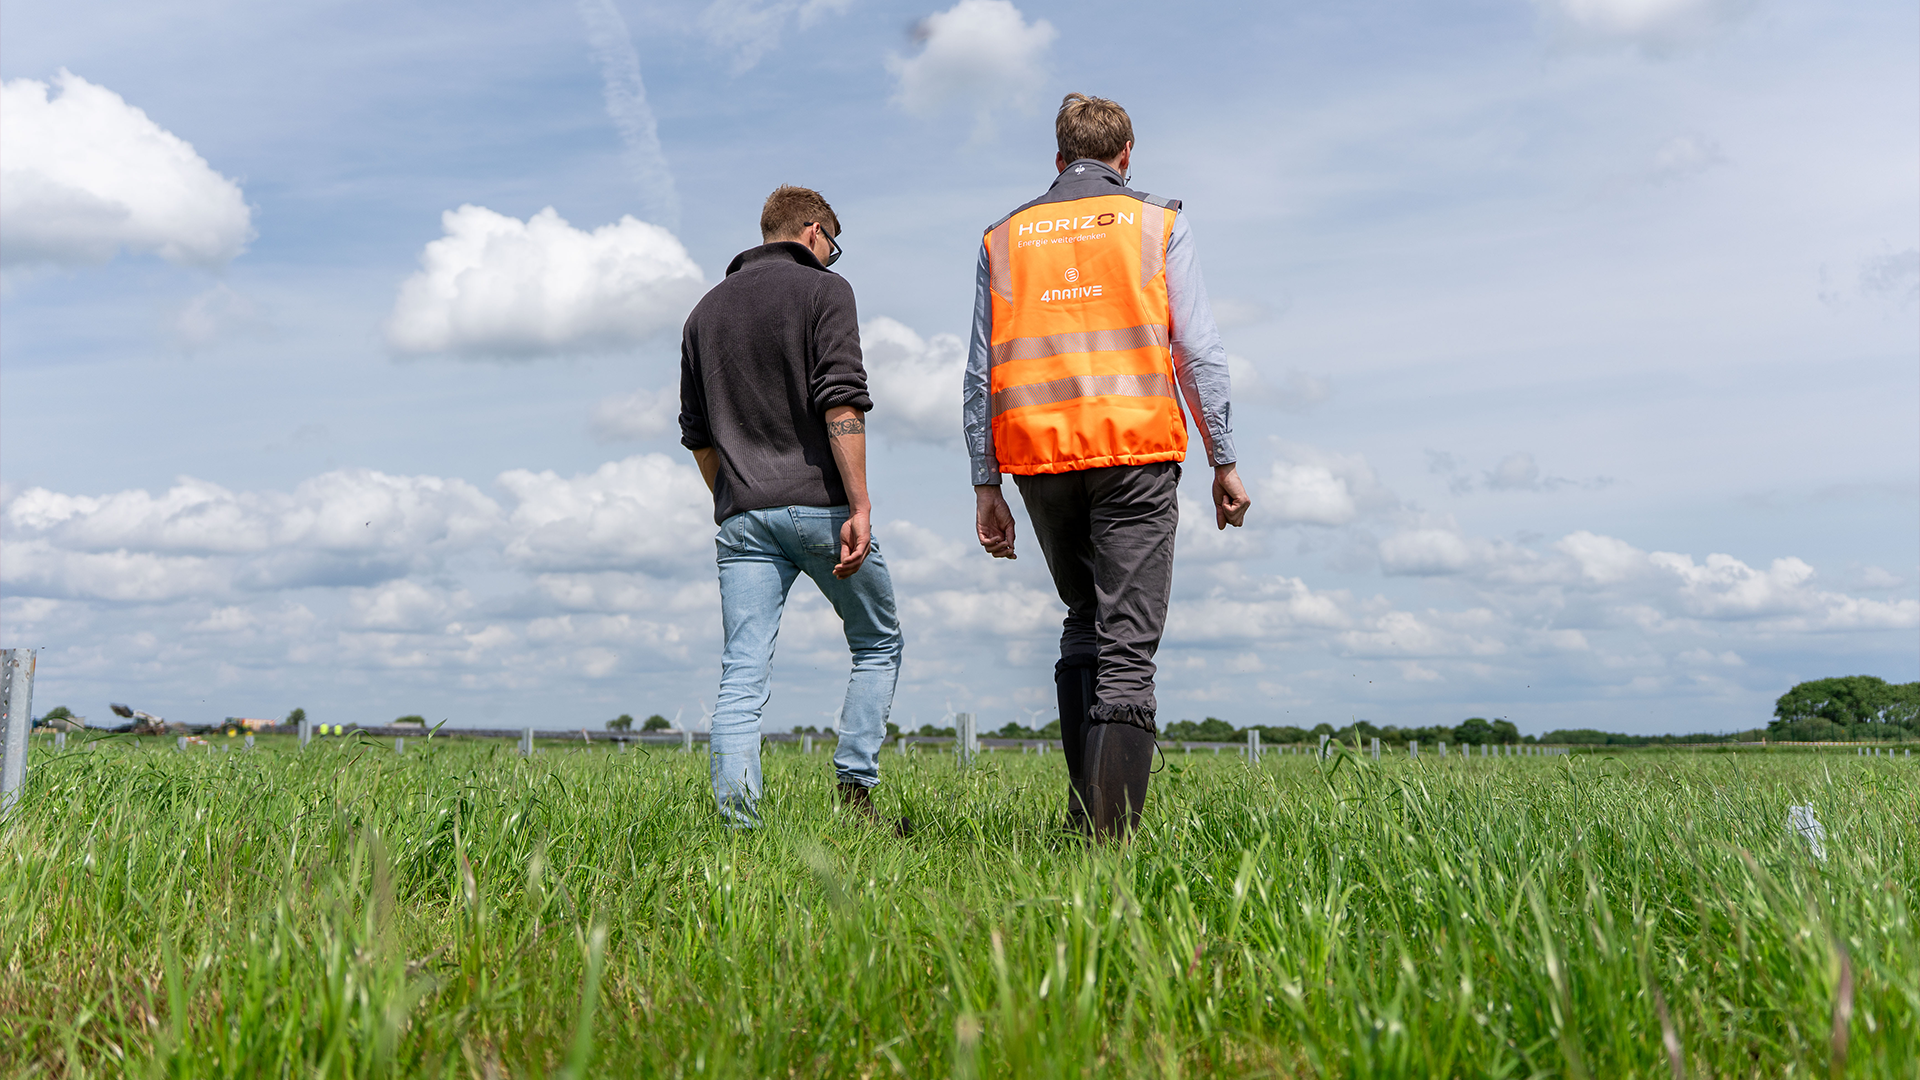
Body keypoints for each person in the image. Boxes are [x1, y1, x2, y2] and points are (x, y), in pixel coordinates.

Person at [963, 93, 1252, 839]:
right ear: (1126, 156)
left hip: (1039, 457)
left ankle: (1081, 820)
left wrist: (985, 482)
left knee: (1083, 618)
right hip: (1135, 451)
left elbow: (980, 373)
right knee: (1128, 647)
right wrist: (1223, 459)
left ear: (1059, 159)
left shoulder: (1003, 237)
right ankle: (1106, 846)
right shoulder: (1158, 223)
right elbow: (1197, 351)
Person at [680, 184, 909, 833]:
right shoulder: (825, 291)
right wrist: (860, 504)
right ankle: (855, 798)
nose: (833, 255)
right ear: (813, 230)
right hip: (822, 507)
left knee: (742, 673)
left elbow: (698, 436)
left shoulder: (703, 313)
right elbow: (842, 400)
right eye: (832, 243)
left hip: (742, 516)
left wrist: (736, 498)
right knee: (877, 642)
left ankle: (739, 830)